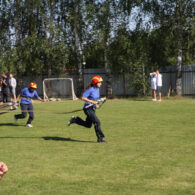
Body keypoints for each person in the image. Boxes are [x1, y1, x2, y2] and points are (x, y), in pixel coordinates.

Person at [68, 75, 106, 143]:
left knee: (88, 125)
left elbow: (95, 99)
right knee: (97, 122)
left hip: (92, 108)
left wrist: (96, 104)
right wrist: (92, 102)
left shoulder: (97, 89)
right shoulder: (90, 90)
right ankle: (100, 138)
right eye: (100, 82)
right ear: (95, 83)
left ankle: (75, 120)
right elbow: (83, 97)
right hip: (88, 109)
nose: (101, 83)